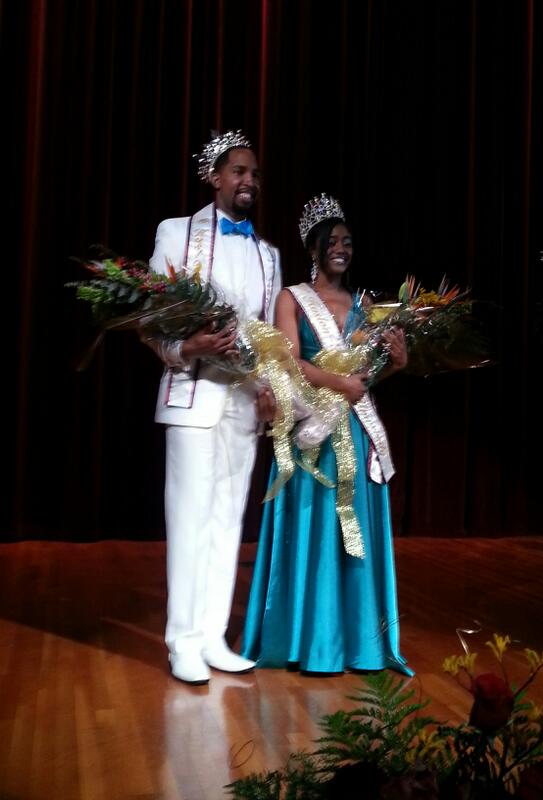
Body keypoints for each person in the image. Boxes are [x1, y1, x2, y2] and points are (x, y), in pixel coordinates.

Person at [241, 193, 413, 675]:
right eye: (331, 242)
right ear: (312, 249)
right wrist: (337, 382)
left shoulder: (365, 305)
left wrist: (396, 366)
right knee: (315, 534)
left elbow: (365, 379)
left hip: (355, 433)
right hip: (312, 433)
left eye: (347, 242)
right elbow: (288, 362)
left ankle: (359, 643)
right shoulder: (292, 298)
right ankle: (307, 640)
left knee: (351, 537)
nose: (341, 249)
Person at [144, 130, 281, 684]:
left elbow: (269, 336)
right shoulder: (177, 234)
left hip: (243, 403)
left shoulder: (268, 255)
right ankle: (182, 640)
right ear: (216, 177)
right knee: (190, 517)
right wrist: (187, 348)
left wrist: (272, 387)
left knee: (228, 521)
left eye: (254, 174)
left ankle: (213, 636)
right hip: (194, 392)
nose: (248, 181)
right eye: (239, 172)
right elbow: (149, 321)